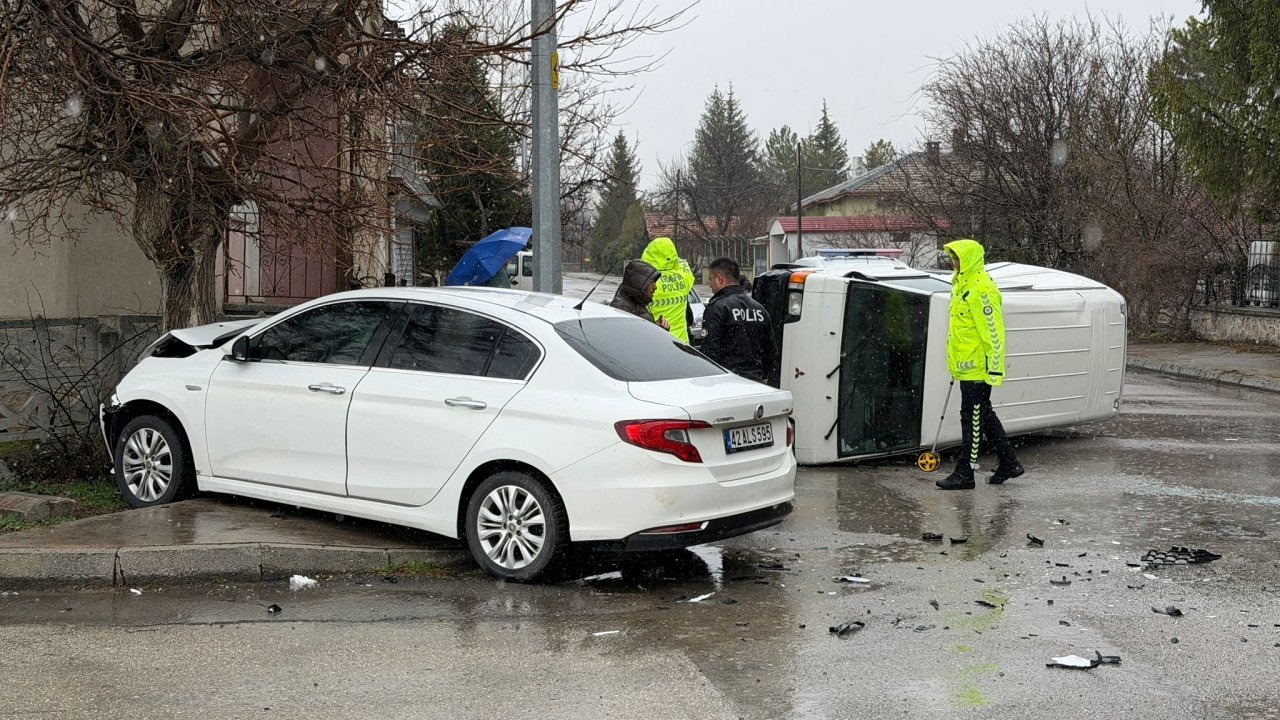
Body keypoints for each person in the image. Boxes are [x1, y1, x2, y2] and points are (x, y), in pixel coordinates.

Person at [936, 239, 1025, 490]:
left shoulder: (981, 288)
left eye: (958, 258)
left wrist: (994, 368)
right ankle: (1009, 462)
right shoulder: (962, 285)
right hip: (967, 366)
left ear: (970, 259)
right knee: (982, 413)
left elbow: (993, 332)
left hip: (978, 368)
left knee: (972, 417)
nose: (954, 263)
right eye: (953, 259)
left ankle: (965, 473)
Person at [700, 257, 776, 383]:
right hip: (756, 382)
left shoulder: (717, 308)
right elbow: (771, 351)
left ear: (719, 279)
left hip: (727, 383)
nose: (709, 285)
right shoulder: (759, 309)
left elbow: (709, 353)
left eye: (711, 279)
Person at [640, 237, 696, 343]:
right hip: (681, 343)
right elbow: (683, 263)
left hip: (656, 341)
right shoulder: (684, 277)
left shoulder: (647, 281)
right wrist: (672, 259)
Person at [609, 259, 669, 329]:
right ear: (639, 284)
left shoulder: (637, 303)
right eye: (651, 282)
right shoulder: (622, 309)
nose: (655, 287)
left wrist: (657, 327)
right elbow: (634, 337)